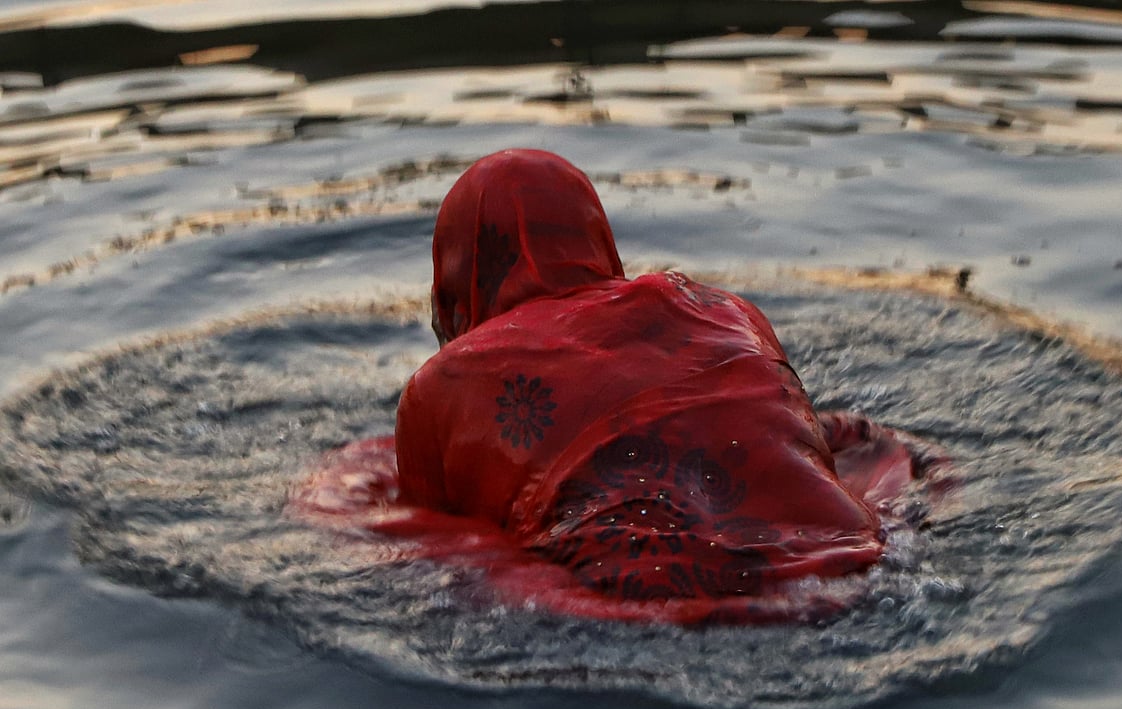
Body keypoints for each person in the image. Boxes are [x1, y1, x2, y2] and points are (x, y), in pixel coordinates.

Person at [290, 149, 936, 625]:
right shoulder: (722, 310)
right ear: (598, 238)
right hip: (857, 557)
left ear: (452, 281)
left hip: (635, 603)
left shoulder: (442, 388)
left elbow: (429, 543)